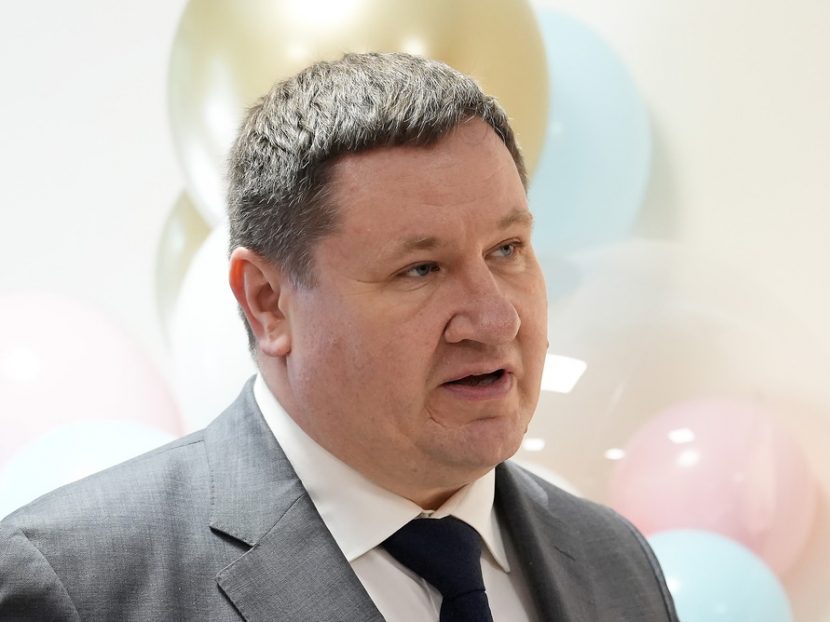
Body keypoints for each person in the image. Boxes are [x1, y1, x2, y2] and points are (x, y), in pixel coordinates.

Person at [0, 53, 677, 621]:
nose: (496, 319)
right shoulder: (78, 586)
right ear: (268, 303)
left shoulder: (614, 562)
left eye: (507, 250)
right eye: (421, 269)